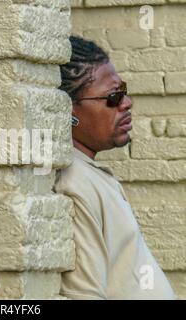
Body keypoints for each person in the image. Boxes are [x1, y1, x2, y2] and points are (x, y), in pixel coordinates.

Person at [54, 36, 175, 300]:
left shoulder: (88, 175)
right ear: (67, 110)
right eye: (113, 96)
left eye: (124, 91)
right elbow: (85, 295)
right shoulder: (73, 184)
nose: (126, 103)